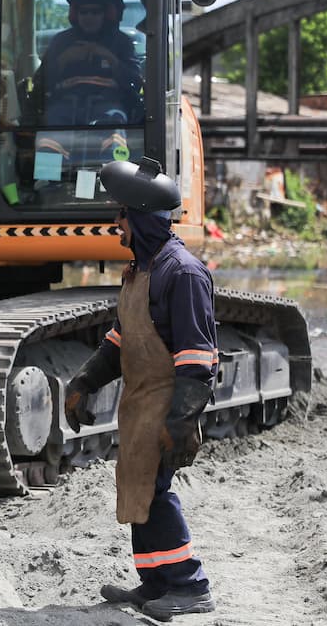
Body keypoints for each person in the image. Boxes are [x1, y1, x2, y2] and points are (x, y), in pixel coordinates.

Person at [64, 156, 217, 621]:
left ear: (142, 218)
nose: (116, 225)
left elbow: (197, 356)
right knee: (138, 489)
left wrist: (181, 420)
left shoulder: (183, 274)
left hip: (166, 401)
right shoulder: (142, 269)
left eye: (121, 216)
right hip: (140, 401)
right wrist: (85, 380)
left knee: (155, 491)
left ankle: (190, 585)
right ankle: (155, 583)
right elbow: (121, 339)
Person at [34, 0, 142, 126]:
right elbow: (40, 83)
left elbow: (135, 82)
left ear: (105, 14)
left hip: (109, 104)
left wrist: (109, 57)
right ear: (76, 15)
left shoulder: (121, 42)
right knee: (50, 131)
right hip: (64, 105)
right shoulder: (61, 41)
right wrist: (64, 59)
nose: (89, 17)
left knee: (113, 127)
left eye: (95, 12)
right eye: (83, 12)